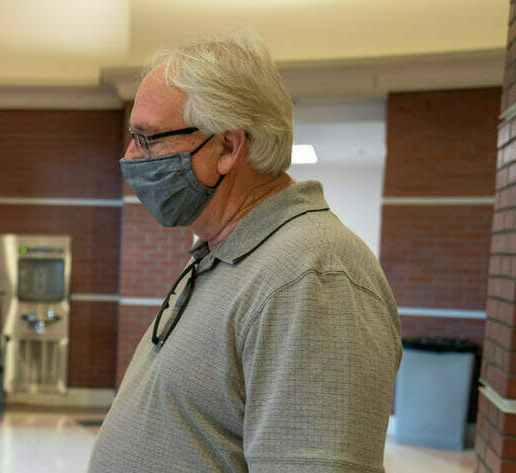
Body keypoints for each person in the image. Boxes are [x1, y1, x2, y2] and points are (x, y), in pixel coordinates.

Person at [88, 31, 402, 473]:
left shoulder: (313, 275)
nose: (130, 156)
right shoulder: (228, 253)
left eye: (148, 139)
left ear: (228, 147)